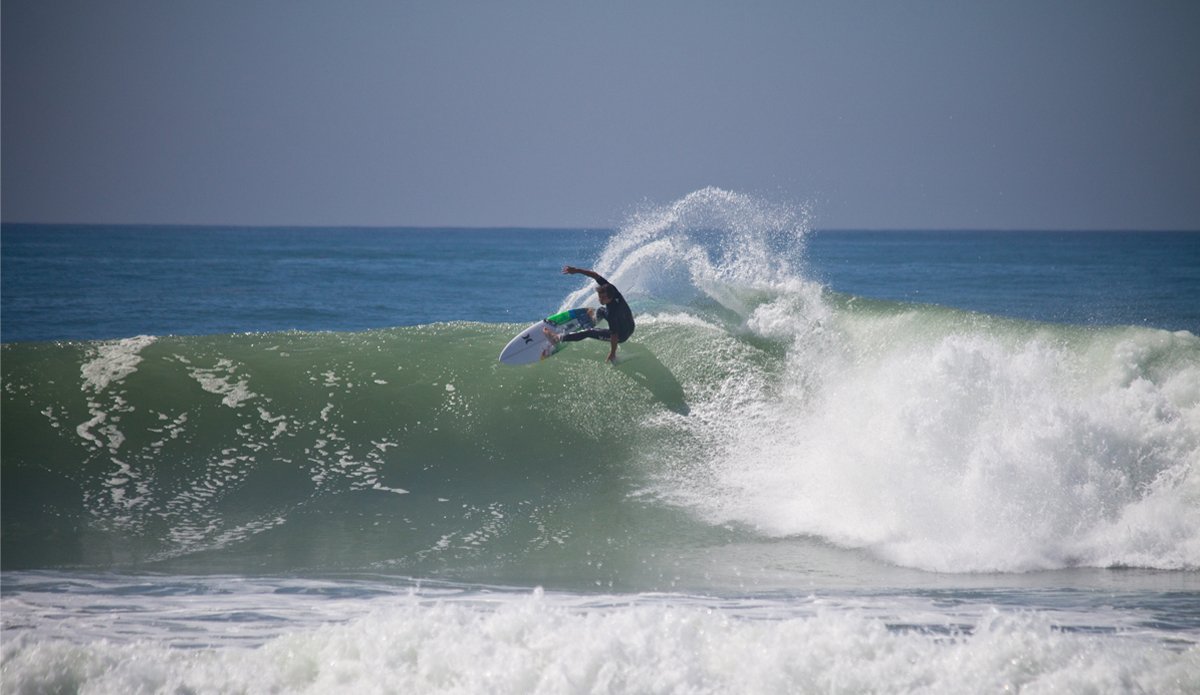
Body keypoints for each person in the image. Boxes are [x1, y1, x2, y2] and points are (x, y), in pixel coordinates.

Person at [545, 266, 635, 363]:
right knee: (600, 310)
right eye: (599, 296)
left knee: (589, 332)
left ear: (611, 297)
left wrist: (613, 353)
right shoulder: (611, 289)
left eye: (603, 298)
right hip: (631, 325)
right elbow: (595, 275)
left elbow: (614, 335)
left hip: (622, 335)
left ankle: (558, 338)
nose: (600, 299)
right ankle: (594, 318)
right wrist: (577, 270)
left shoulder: (612, 313)